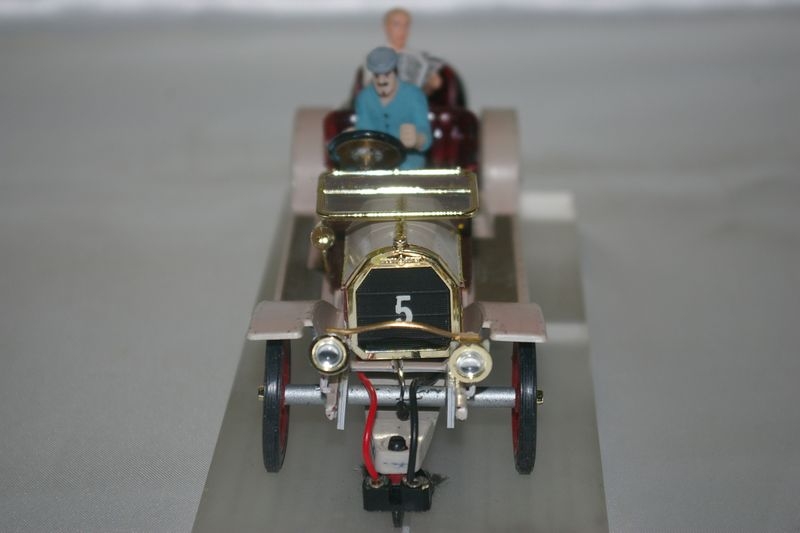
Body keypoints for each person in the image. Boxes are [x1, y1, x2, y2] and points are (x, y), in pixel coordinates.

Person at [355, 46, 432, 170]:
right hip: (375, 165)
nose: (381, 80)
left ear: (395, 72)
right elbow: (364, 130)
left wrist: (417, 139)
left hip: (409, 163)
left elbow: (425, 133)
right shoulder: (364, 98)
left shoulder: (415, 95)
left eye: (386, 74)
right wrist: (355, 138)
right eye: (377, 76)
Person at [362, 8, 442, 95]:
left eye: (406, 25)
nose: (402, 30)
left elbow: (421, 94)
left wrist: (431, 86)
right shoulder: (375, 56)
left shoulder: (419, 57)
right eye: (396, 25)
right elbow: (369, 91)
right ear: (386, 27)